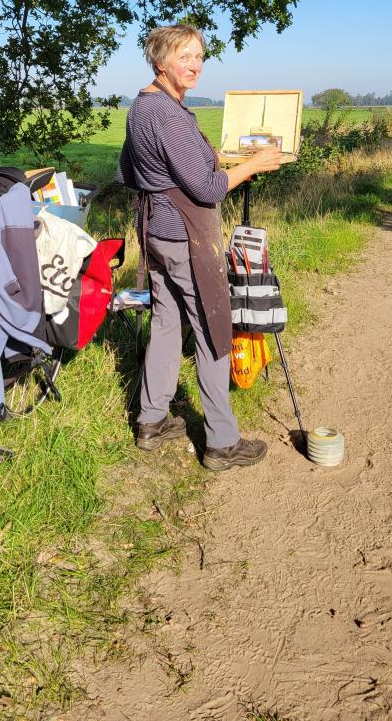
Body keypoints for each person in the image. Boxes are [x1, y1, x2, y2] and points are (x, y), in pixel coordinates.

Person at [117, 23, 282, 471]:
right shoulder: (168, 114)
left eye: (199, 56)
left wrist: (222, 163)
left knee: (168, 324)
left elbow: (128, 170)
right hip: (185, 237)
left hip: (155, 232)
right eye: (184, 56)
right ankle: (221, 443)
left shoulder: (141, 105)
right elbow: (208, 190)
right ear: (160, 61)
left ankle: (152, 420)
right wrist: (253, 165)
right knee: (213, 328)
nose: (194, 65)